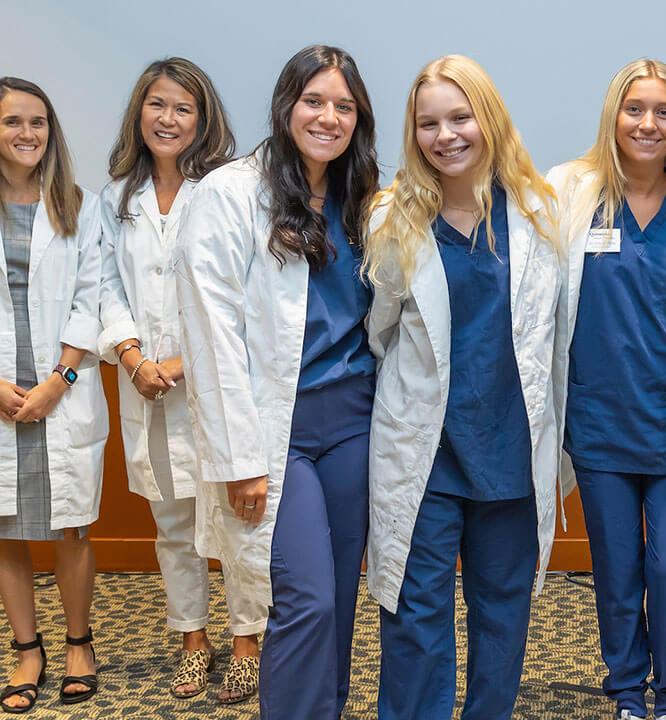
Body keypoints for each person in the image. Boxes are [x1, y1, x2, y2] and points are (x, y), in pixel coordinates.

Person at [173, 45, 379, 719]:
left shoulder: (365, 197)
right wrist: (239, 458)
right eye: (314, 101)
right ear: (286, 105)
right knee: (306, 597)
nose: (328, 117)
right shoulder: (230, 195)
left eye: (344, 105)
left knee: (342, 598)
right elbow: (211, 335)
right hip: (271, 429)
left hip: (353, 421)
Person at [362, 54, 561, 720]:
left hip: (509, 443)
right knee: (415, 607)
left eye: (460, 117)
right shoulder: (392, 218)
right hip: (426, 448)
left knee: (501, 608)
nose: (445, 135)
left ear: (489, 118)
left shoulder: (537, 212)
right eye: (428, 123)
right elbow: (380, 331)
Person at [548, 59, 666, 720]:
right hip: (598, 427)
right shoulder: (569, 193)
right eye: (635, 109)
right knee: (618, 572)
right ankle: (628, 689)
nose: (648, 124)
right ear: (613, 116)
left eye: (663, 111)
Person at [97, 57, 267, 702]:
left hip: (214, 384)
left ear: (204, 120)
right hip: (147, 388)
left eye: (183, 108)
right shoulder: (119, 198)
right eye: (157, 105)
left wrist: (187, 362)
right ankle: (194, 640)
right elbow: (105, 286)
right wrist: (133, 355)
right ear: (139, 112)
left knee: (236, 522)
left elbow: (243, 294)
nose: (168, 119)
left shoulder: (229, 190)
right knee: (172, 525)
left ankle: (248, 638)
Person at [0, 76, 107, 712]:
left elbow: (89, 296)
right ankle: (25, 649)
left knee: (70, 527)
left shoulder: (77, 204)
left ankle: (77, 643)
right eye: (13, 121)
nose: (28, 133)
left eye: (38, 122)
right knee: (5, 529)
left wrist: (57, 382)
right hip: (3, 392)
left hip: (59, 390)